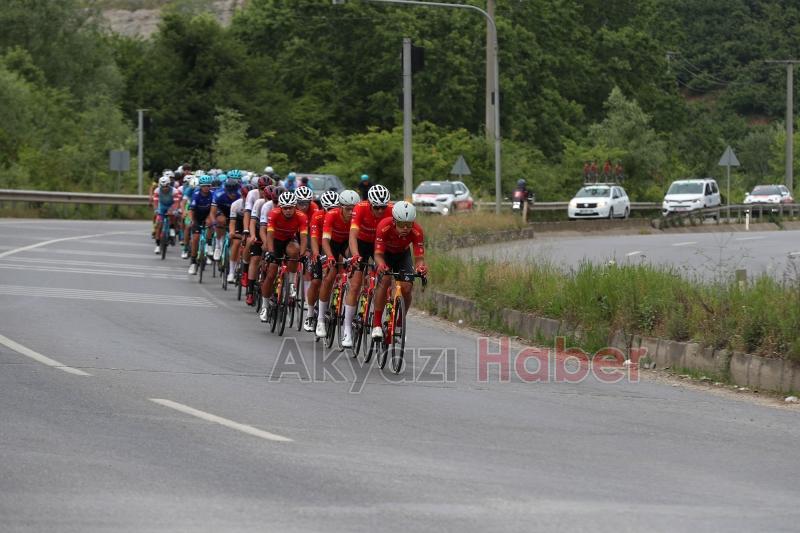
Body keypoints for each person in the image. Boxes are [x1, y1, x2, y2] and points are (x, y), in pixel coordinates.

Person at [342, 184, 393, 348]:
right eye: (376, 207)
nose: (380, 211)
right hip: (362, 243)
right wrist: (355, 255)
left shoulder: (392, 210)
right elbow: (352, 236)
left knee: (386, 278)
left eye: (383, 207)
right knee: (356, 284)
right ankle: (347, 330)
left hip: (379, 245)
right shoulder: (360, 208)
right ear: (370, 204)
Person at [371, 201, 427, 339]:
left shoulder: (417, 231)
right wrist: (381, 265)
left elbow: (419, 258)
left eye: (409, 224)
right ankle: (377, 325)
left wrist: (420, 267)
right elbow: (378, 254)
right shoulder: (384, 226)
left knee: (407, 287)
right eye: (402, 224)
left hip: (402, 255)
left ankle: (399, 322)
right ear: (394, 221)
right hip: (385, 254)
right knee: (384, 280)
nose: (406, 228)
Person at [315, 190, 360, 338]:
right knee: (330, 276)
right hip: (331, 244)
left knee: (354, 273)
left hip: (347, 245)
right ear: (340, 207)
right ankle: (320, 319)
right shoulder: (332, 215)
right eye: (347, 209)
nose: (351, 212)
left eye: (353, 209)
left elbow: (357, 241)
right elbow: (325, 241)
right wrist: (329, 257)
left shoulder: (357, 217)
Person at [258, 191, 309, 322]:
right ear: (280, 207)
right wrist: (270, 252)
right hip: (275, 241)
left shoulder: (301, 216)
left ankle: (291, 283)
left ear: (295, 207)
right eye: (285, 208)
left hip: (289, 240)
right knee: (271, 274)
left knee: (295, 252)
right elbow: (269, 236)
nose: (288, 211)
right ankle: (264, 306)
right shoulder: (273, 214)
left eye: (290, 208)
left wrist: (302, 254)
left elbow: (304, 238)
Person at [304, 190, 340, 332]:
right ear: (324, 208)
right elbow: (313, 238)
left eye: (335, 208)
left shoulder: (340, 216)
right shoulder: (317, 216)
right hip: (319, 245)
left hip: (333, 246)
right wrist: (316, 254)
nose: (333, 211)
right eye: (329, 209)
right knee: (316, 281)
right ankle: (310, 314)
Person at [187, 175, 214, 275]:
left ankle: (209, 245)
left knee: (210, 223)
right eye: (204, 186)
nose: (206, 188)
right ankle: (193, 263)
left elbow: (214, 209)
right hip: (197, 218)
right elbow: (191, 210)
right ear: (200, 186)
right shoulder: (196, 194)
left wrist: (211, 218)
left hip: (207, 216)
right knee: (195, 238)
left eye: (208, 186)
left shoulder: (213, 194)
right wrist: (191, 220)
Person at [152, 175, 182, 253]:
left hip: (171, 205)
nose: (164, 188)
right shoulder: (157, 190)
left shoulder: (174, 191)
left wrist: (174, 210)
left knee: (172, 215)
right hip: (162, 206)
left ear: (169, 185)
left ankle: (172, 229)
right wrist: (156, 209)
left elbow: (176, 203)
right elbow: (155, 202)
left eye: (166, 186)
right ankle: (157, 246)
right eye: (162, 186)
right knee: (159, 225)